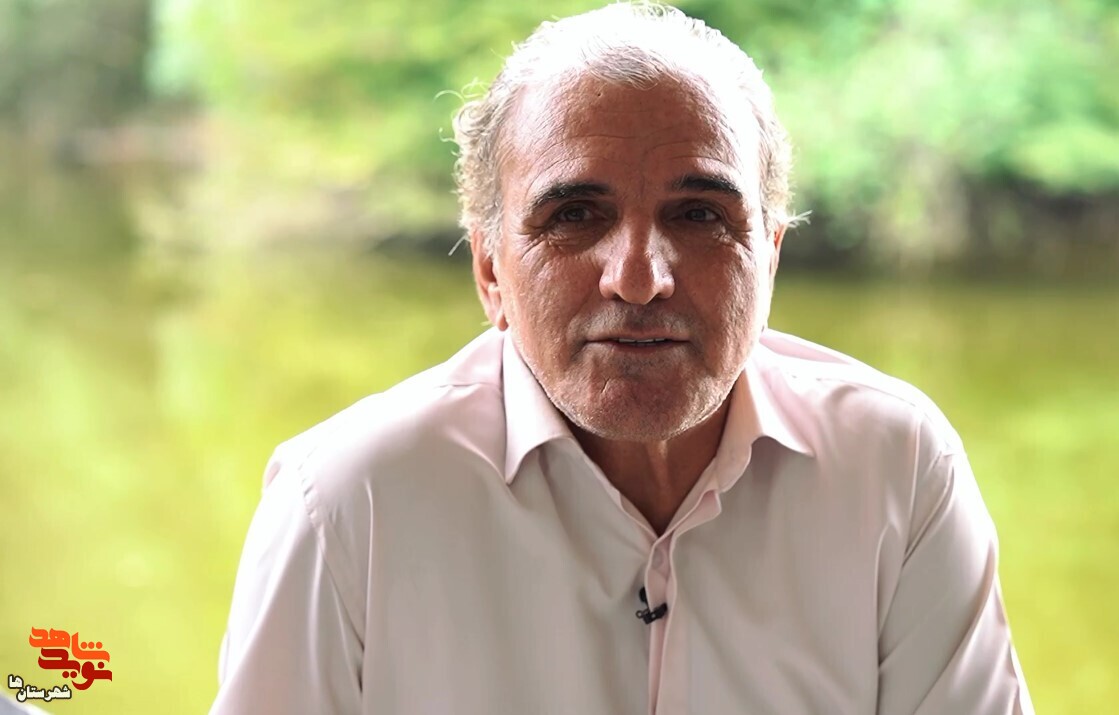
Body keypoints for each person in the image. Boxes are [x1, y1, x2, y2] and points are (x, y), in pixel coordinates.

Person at [211, 3, 1034, 713]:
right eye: (574, 214)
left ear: (770, 257)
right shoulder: (345, 504)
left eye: (700, 214)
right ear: (491, 270)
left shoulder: (896, 469)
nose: (639, 278)